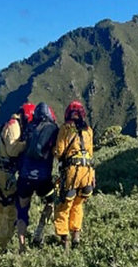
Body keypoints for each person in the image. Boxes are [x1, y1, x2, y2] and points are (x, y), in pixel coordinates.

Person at [0, 103, 34, 251]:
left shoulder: (8, 124)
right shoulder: (15, 126)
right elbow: (12, 150)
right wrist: (26, 144)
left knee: (0, 208)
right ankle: (2, 246)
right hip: (4, 174)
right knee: (12, 212)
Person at [15, 102, 58, 252]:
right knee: (51, 202)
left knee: (22, 211)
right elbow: (57, 152)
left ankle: (22, 247)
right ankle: (39, 231)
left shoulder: (28, 128)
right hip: (43, 179)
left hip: (25, 178)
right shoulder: (53, 129)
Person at [53, 101, 96, 249]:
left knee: (64, 205)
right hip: (87, 172)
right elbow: (91, 153)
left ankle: (64, 240)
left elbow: (59, 152)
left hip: (72, 172)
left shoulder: (65, 128)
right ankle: (76, 236)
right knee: (78, 204)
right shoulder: (88, 130)